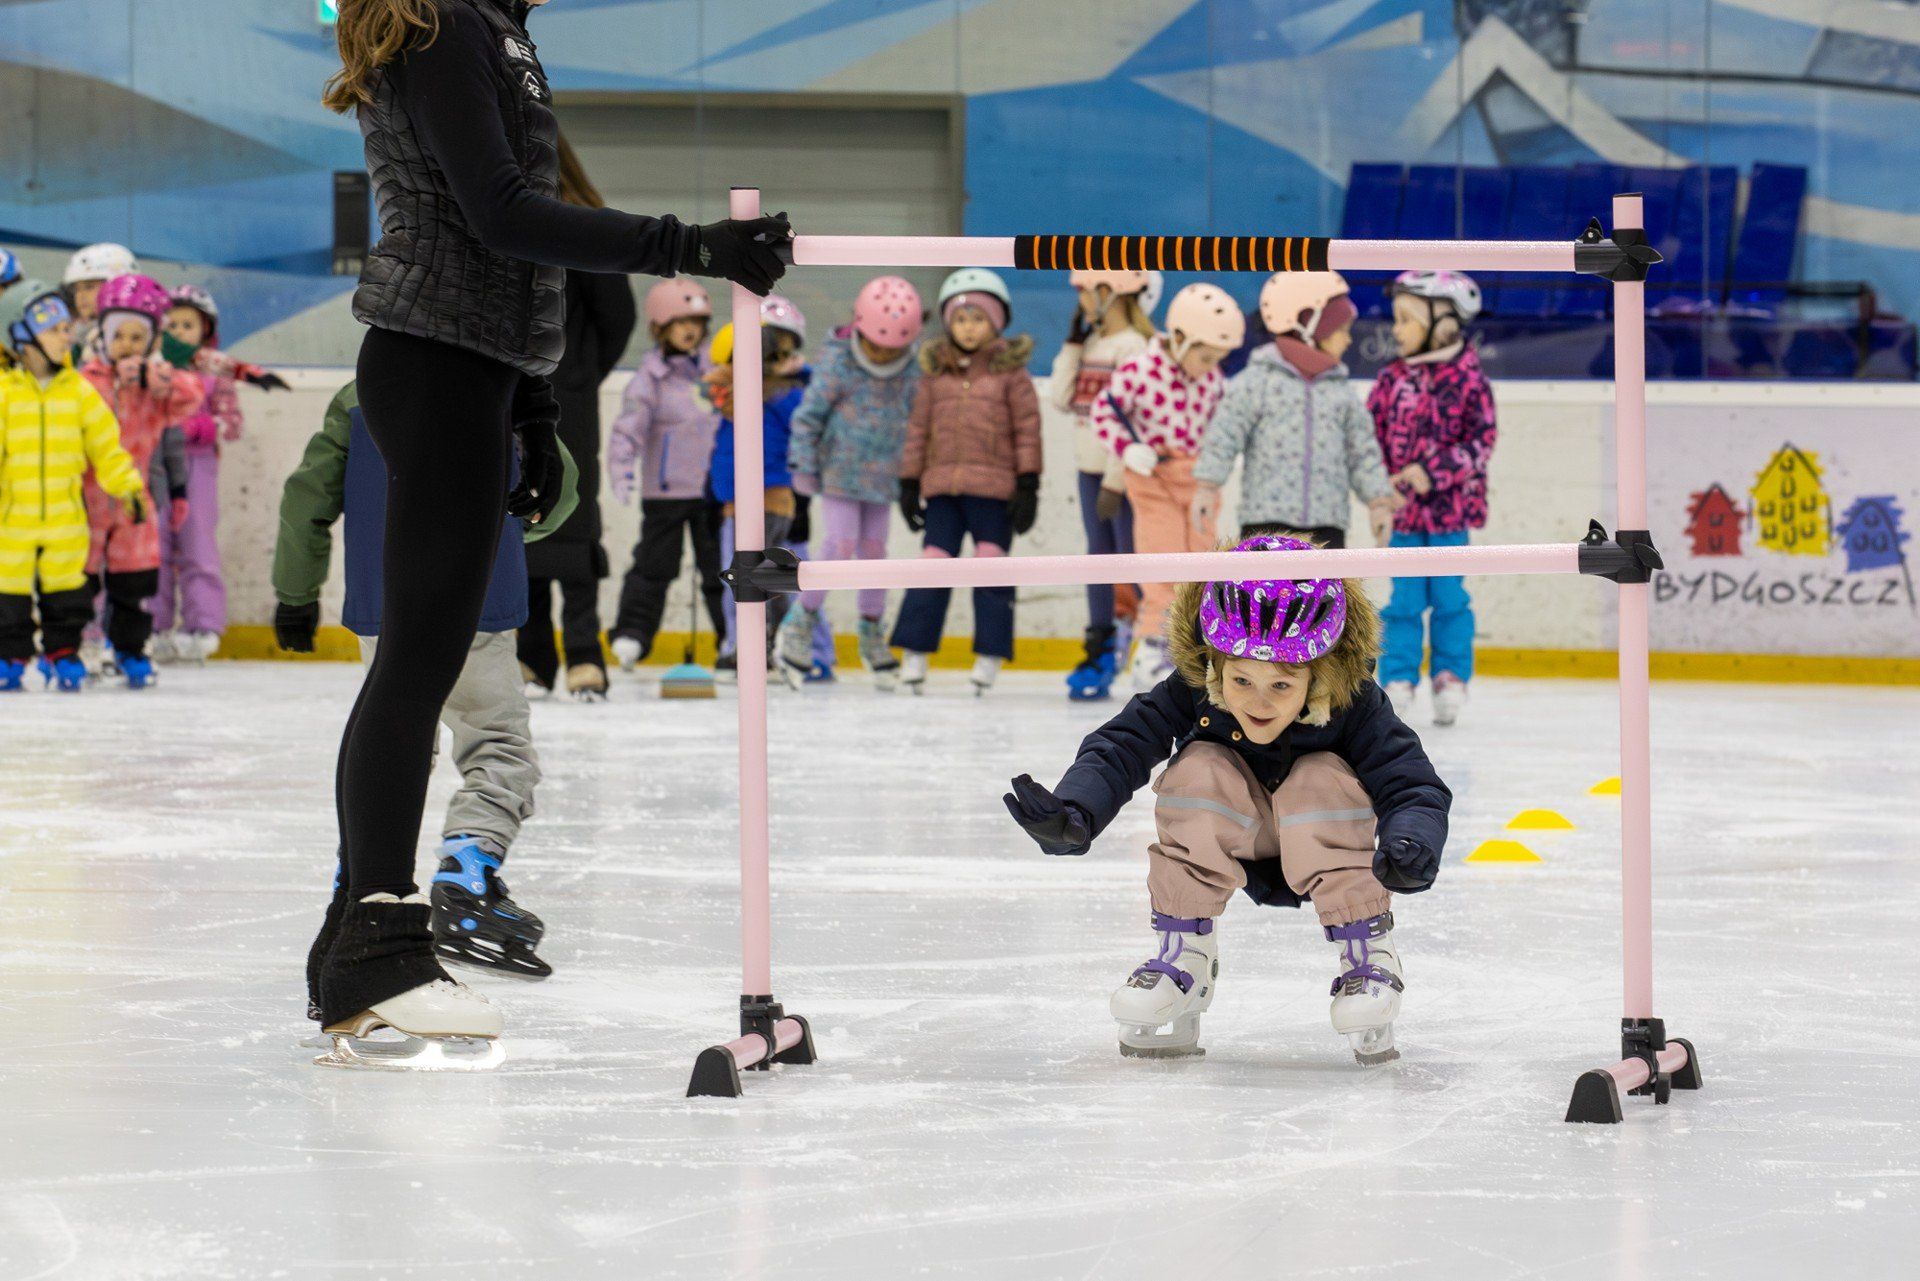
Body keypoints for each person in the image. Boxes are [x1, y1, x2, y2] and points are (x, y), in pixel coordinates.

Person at [313, 0, 790, 1068]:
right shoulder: (449, 21)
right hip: (434, 362)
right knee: (419, 663)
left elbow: (496, 232)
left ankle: (348, 951)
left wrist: (530, 400)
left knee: (421, 660)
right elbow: (502, 213)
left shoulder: (491, 27)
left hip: (470, 368)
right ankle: (376, 949)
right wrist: (690, 247)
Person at [1003, 535, 1450, 1063]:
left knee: (1320, 776)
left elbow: (1410, 782)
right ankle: (1184, 956)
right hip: (1233, 828)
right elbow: (1122, 744)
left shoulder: (1355, 705)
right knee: (1199, 769)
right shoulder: (1192, 689)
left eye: (1281, 685)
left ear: (1320, 673)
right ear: (1214, 664)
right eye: (1241, 679)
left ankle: (1367, 953)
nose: (1258, 702)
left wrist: (1412, 840)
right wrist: (1076, 809)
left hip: (1323, 835)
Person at [274, 381, 577, 987]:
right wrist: (512, 535)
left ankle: (360, 885)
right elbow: (559, 489)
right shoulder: (503, 384)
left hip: (384, 601)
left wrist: (296, 592)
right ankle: (467, 874)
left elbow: (306, 497)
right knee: (497, 743)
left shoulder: (360, 394)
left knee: (390, 745)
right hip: (477, 597)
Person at [518, 135, 637, 703]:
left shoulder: (583, 226)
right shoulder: (497, 219)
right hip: (508, 394)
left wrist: (581, 374)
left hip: (567, 399)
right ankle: (533, 654)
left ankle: (585, 652)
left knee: (574, 516)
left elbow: (617, 317)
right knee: (523, 513)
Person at [889, 269, 1042, 696]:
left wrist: (1028, 484)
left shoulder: (1012, 375)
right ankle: (914, 654)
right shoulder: (935, 374)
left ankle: (990, 656)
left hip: (994, 493)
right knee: (932, 568)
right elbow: (918, 431)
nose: (969, 328)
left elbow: (1027, 431)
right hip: (942, 491)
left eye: (978, 318)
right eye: (960, 319)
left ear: (997, 322)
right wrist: (909, 483)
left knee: (991, 569)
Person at [1090, 283, 1244, 692]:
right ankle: (1153, 648)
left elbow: (1223, 427)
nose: (1210, 367)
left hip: (1199, 484)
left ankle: (1192, 647)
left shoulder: (1213, 381)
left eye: (1217, 360)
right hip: (1154, 480)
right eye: (1205, 357)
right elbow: (1103, 411)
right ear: (1179, 338)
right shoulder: (1140, 371)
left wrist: (1220, 462)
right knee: (1162, 563)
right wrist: (1127, 449)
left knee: (1204, 569)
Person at [778, 275, 924, 691]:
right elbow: (809, 416)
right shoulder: (839, 361)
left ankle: (871, 630)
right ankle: (800, 622)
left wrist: (916, 477)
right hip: (839, 474)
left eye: (893, 349)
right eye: (877, 345)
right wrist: (802, 465)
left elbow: (919, 425)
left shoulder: (912, 371)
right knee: (839, 545)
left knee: (875, 553)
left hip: (883, 480)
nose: (884, 354)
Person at [0, 282, 147, 692]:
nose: (67, 337)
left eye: (68, 329)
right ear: (22, 335)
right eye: (55, 330)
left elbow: (107, 448)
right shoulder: (4, 394)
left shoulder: (80, 393)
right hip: (10, 519)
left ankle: (63, 652)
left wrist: (129, 487)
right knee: (7, 592)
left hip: (66, 517)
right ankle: (9, 656)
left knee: (67, 593)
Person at [1369, 271, 1498, 727]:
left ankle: (1450, 676)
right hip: (1403, 516)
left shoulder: (1470, 381)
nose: (1397, 329)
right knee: (1403, 601)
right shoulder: (1391, 380)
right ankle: (1399, 678)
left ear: (1444, 324)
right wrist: (1379, 495)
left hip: (1450, 516)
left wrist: (1434, 471)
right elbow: (1369, 441)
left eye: (1407, 320)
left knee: (1448, 597)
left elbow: (1481, 443)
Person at [1191, 272, 1399, 551]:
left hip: (1327, 527)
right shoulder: (1258, 381)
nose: (1348, 340)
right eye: (1341, 330)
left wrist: (1379, 502)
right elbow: (1224, 435)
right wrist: (1207, 487)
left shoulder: (1341, 391)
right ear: (1310, 328)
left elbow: (1362, 452)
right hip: (1265, 523)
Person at [78, 274, 203, 690]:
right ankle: (82, 644)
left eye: (137, 337)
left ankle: (130, 649)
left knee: (132, 583)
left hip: (135, 503)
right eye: (119, 336)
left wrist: (156, 377)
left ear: (151, 342)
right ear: (103, 336)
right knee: (80, 580)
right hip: (87, 499)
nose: (127, 345)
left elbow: (191, 396)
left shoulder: (155, 385)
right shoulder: (87, 380)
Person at [153, 284, 289, 662]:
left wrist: (196, 427)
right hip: (154, 465)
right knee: (152, 547)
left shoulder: (213, 372)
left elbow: (231, 425)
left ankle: (202, 626)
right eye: (171, 325)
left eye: (187, 325)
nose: (178, 332)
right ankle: (152, 625)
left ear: (205, 330)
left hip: (197, 465)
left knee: (197, 544)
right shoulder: (152, 369)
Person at [605, 279, 723, 673]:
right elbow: (628, 429)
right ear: (659, 326)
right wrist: (622, 470)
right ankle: (632, 635)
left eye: (697, 322)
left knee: (720, 570)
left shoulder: (716, 372)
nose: (691, 330)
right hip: (665, 494)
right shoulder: (649, 379)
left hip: (712, 492)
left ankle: (736, 641)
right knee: (654, 567)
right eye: (681, 322)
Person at [1051, 269, 1157, 701]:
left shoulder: (1133, 347)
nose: (1079, 300)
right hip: (1089, 470)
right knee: (1097, 563)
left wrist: (1116, 480)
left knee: (1132, 568)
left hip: (1121, 478)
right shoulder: (1093, 343)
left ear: (1108, 292)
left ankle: (1152, 649)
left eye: (1084, 291)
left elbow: (1132, 420)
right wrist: (1073, 345)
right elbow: (1061, 398)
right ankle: (1100, 652)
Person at [707, 299, 809, 677]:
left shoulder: (787, 393)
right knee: (738, 575)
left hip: (772, 499)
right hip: (736, 502)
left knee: (765, 577)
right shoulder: (731, 395)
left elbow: (800, 424)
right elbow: (723, 446)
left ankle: (773, 643)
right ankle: (743, 644)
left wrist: (783, 379)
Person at [62, 242, 137, 365]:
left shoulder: (143, 340)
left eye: (89, 287)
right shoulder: (76, 344)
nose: (80, 296)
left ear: (119, 288)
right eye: (76, 289)